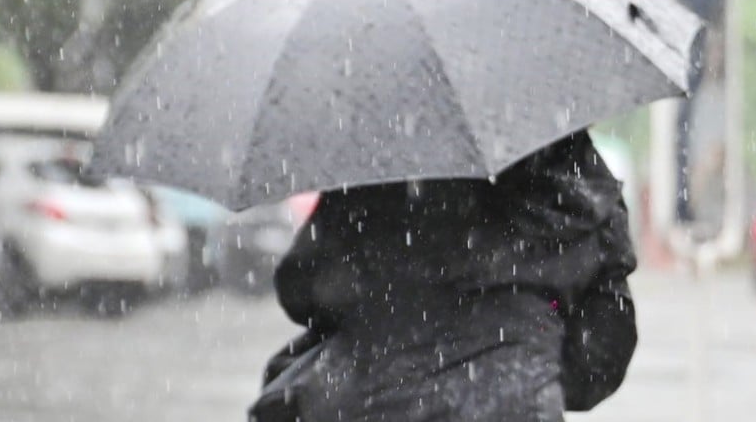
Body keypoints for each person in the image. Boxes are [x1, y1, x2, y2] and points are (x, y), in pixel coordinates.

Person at [249, 131, 637, 422]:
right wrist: (524, 354)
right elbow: (596, 364)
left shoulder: (384, 150)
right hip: (513, 406)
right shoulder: (571, 172)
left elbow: (303, 287)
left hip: (372, 403)